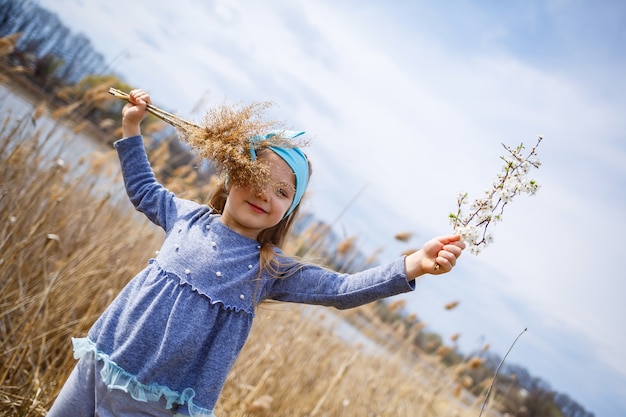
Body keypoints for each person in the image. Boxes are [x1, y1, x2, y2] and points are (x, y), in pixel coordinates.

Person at [47, 89, 465, 417]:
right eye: (258, 176)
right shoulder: (186, 217)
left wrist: (415, 264)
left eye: (284, 192)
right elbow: (143, 190)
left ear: (289, 209)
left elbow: (341, 289)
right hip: (99, 362)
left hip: (156, 400)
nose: (267, 193)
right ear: (231, 177)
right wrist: (132, 127)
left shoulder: (269, 269)